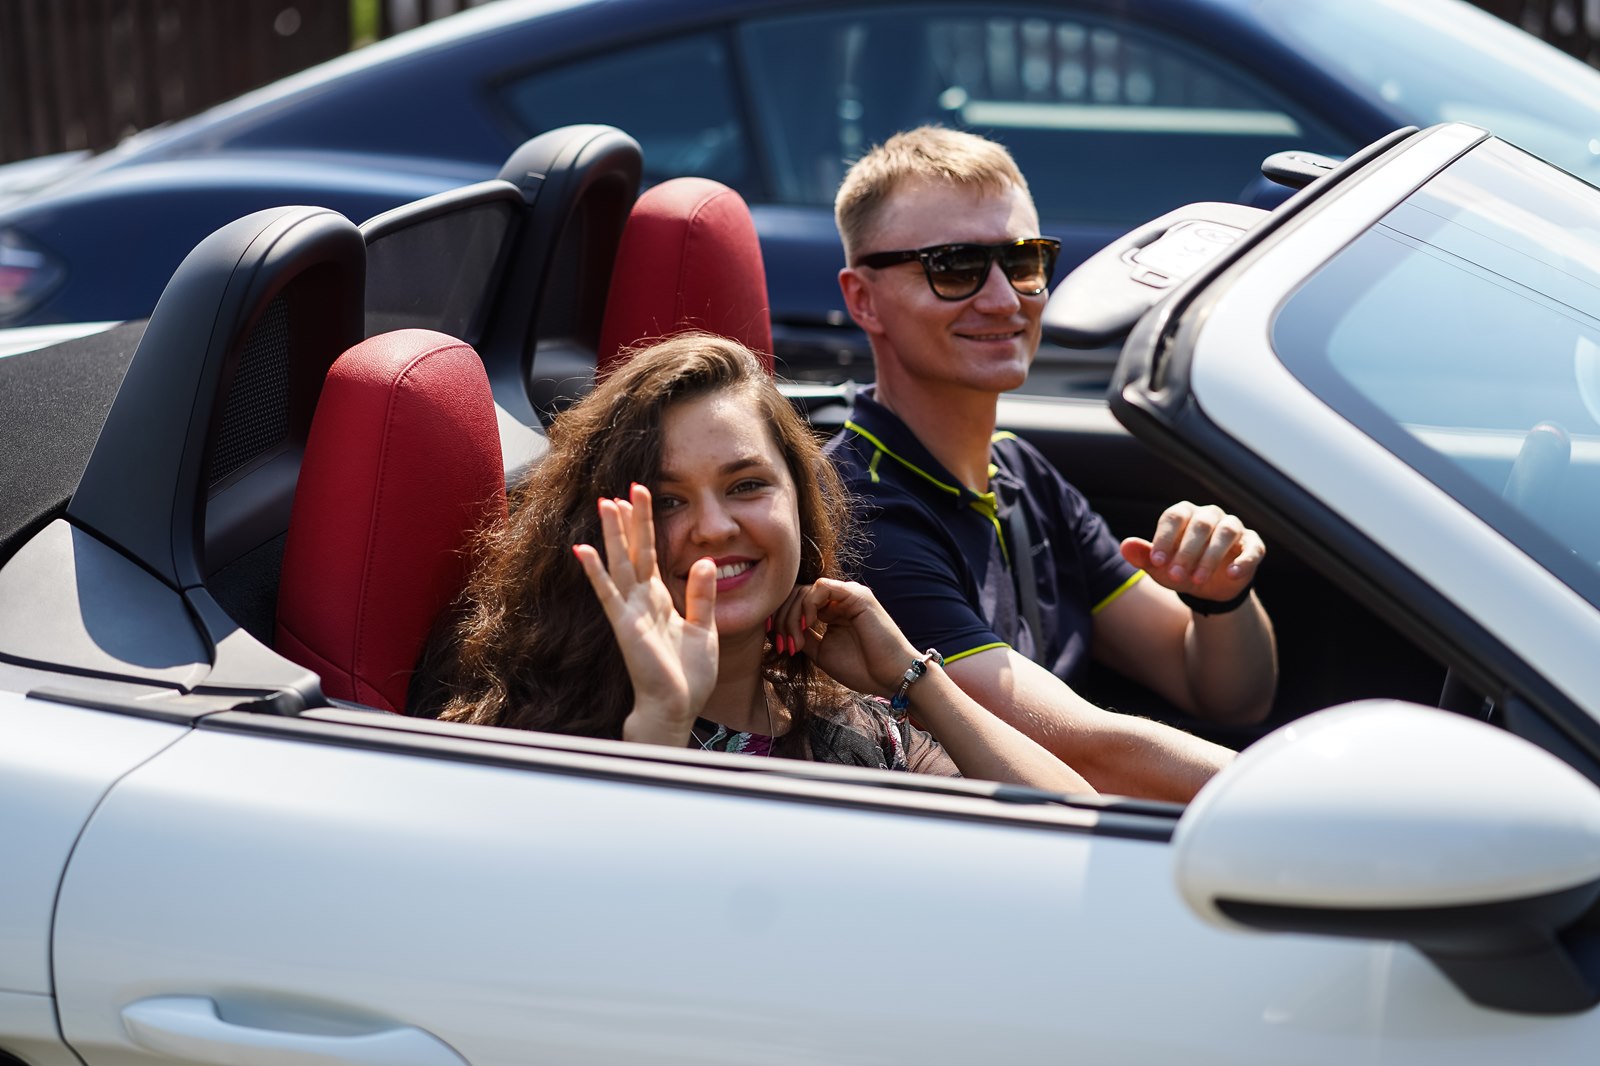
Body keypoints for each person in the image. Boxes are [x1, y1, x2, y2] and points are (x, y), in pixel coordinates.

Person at [826, 126, 1277, 802]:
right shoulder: (864, 512)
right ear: (863, 299)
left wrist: (1222, 597)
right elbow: (1087, 755)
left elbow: (1223, 692)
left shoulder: (1020, 472)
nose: (1006, 299)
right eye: (955, 267)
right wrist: (1310, 803)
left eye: (1025, 261)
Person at [439, 333, 1095, 794]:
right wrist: (662, 723)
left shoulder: (853, 726)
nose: (714, 527)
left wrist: (915, 678)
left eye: (747, 485)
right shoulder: (539, 745)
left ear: (799, 502)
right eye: (667, 501)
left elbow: (1075, 831)